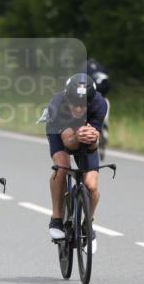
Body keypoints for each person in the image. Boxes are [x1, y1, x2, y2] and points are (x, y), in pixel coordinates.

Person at [43, 73, 108, 253]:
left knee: (91, 185)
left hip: (83, 135)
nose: (79, 109)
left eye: (83, 105)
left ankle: (88, 226)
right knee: (63, 165)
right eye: (75, 104)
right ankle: (56, 217)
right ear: (67, 98)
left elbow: (94, 145)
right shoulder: (58, 105)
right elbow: (68, 143)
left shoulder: (99, 104)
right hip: (60, 133)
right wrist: (77, 136)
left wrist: (92, 137)